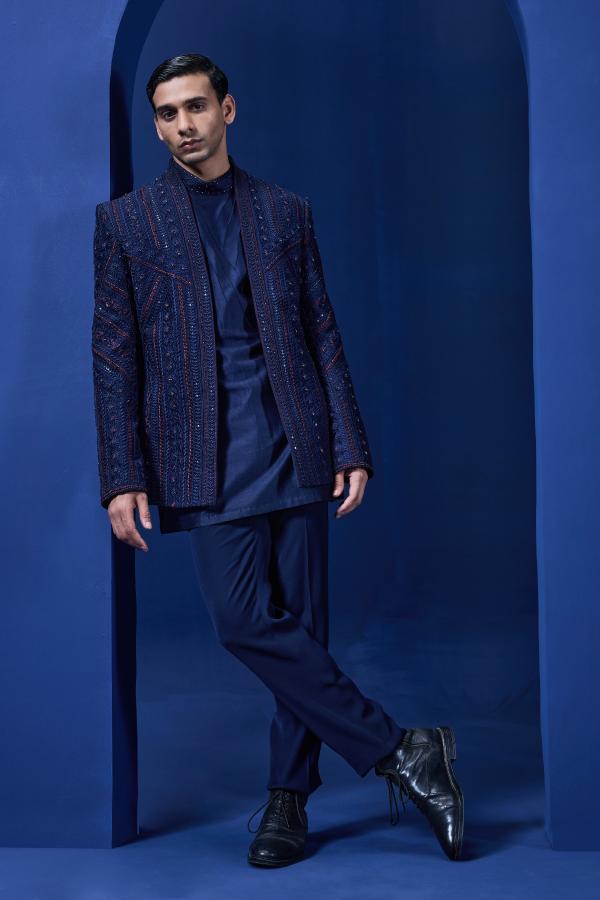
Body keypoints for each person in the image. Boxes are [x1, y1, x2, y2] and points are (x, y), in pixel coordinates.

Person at [91, 52, 464, 867]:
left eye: (195, 107)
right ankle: (403, 749)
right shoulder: (127, 223)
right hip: (201, 455)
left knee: (304, 624)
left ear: (227, 110)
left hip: (295, 441)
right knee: (244, 621)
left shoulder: (284, 212)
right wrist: (122, 476)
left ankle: (288, 800)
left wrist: (350, 442)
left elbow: (321, 330)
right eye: (166, 114)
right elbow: (114, 359)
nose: (182, 126)